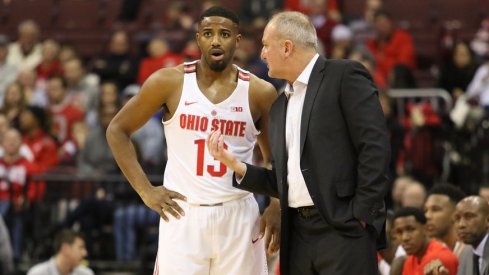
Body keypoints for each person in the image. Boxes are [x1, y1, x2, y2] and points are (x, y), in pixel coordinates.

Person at [207, 11, 390, 275]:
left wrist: (361, 214)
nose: (262, 54)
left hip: (343, 228)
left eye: (266, 46)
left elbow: (375, 147)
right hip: (298, 235)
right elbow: (282, 182)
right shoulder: (280, 105)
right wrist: (235, 164)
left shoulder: (343, 75)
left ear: (287, 47)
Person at [107, 7, 279, 274]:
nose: (216, 40)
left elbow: (274, 158)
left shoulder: (260, 91)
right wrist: (145, 190)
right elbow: (117, 130)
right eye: (208, 33)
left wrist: (276, 204)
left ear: (238, 39)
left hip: (239, 215)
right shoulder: (168, 82)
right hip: (183, 213)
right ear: (198, 38)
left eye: (224, 34)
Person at [392, 207, 459, 275]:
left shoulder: (439, 257)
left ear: (425, 228)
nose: (405, 238)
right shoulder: (410, 261)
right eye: (399, 232)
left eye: (411, 229)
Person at [424, 184, 469, 258]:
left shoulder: (471, 252)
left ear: (456, 214)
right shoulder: (426, 251)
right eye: (425, 210)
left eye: (435, 209)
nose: (427, 216)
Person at [27, 229, 94, 275]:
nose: (85, 253)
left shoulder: (86, 273)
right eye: (80, 247)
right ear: (65, 248)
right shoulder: (38, 273)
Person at [454, 196, 489, 275]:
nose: (461, 225)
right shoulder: (465, 253)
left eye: (468, 217)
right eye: (457, 218)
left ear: (487, 221)